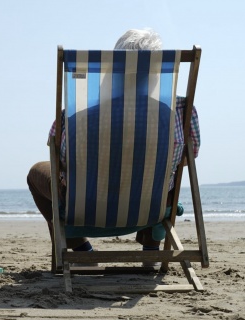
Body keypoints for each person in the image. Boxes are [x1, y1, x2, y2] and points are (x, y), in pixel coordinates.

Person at [27, 28, 201, 263]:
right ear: (158, 73)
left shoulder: (76, 116)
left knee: (37, 172)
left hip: (86, 208)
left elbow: (63, 162)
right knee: (160, 173)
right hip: (149, 209)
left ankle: (81, 252)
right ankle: (152, 251)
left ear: (114, 70)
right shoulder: (180, 113)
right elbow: (187, 159)